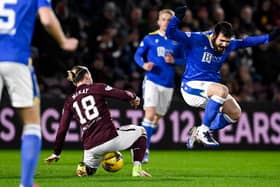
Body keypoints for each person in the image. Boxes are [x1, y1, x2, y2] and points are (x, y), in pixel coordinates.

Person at [166, 5, 280, 149]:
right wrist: (176, 18)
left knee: (235, 113)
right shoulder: (197, 39)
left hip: (210, 91)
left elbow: (247, 42)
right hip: (191, 87)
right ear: (214, 36)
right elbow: (171, 34)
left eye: (227, 41)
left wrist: (270, 37)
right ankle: (204, 130)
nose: (225, 45)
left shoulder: (229, 44)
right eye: (222, 41)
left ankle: (199, 131)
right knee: (222, 90)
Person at [0, 1, 78, 186]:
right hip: (16, 58)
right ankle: (26, 183)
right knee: (32, 125)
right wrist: (64, 41)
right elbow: (47, 18)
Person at [45, 66, 151, 177]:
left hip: (90, 147)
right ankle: (137, 169)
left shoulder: (69, 101)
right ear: (86, 76)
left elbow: (62, 129)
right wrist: (133, 97)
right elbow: (122, 94)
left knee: (89, 171)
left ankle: (84, 167)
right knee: (141, 131)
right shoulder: (97, 88)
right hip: (109, 138)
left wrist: (56, 152)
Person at [134, 9, 186, 163]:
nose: (166, 22)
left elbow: (184, 59)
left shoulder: (177, 40)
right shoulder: (150, 38)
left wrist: (175, 61)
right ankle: (143, 150)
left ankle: (141, 141)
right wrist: (144, 65)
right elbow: (137, 55)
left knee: (157, 117)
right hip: (152, 80)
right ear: (158, 21)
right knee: (149, 115)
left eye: (169, 20)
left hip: (168, 84)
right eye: (163, 19)